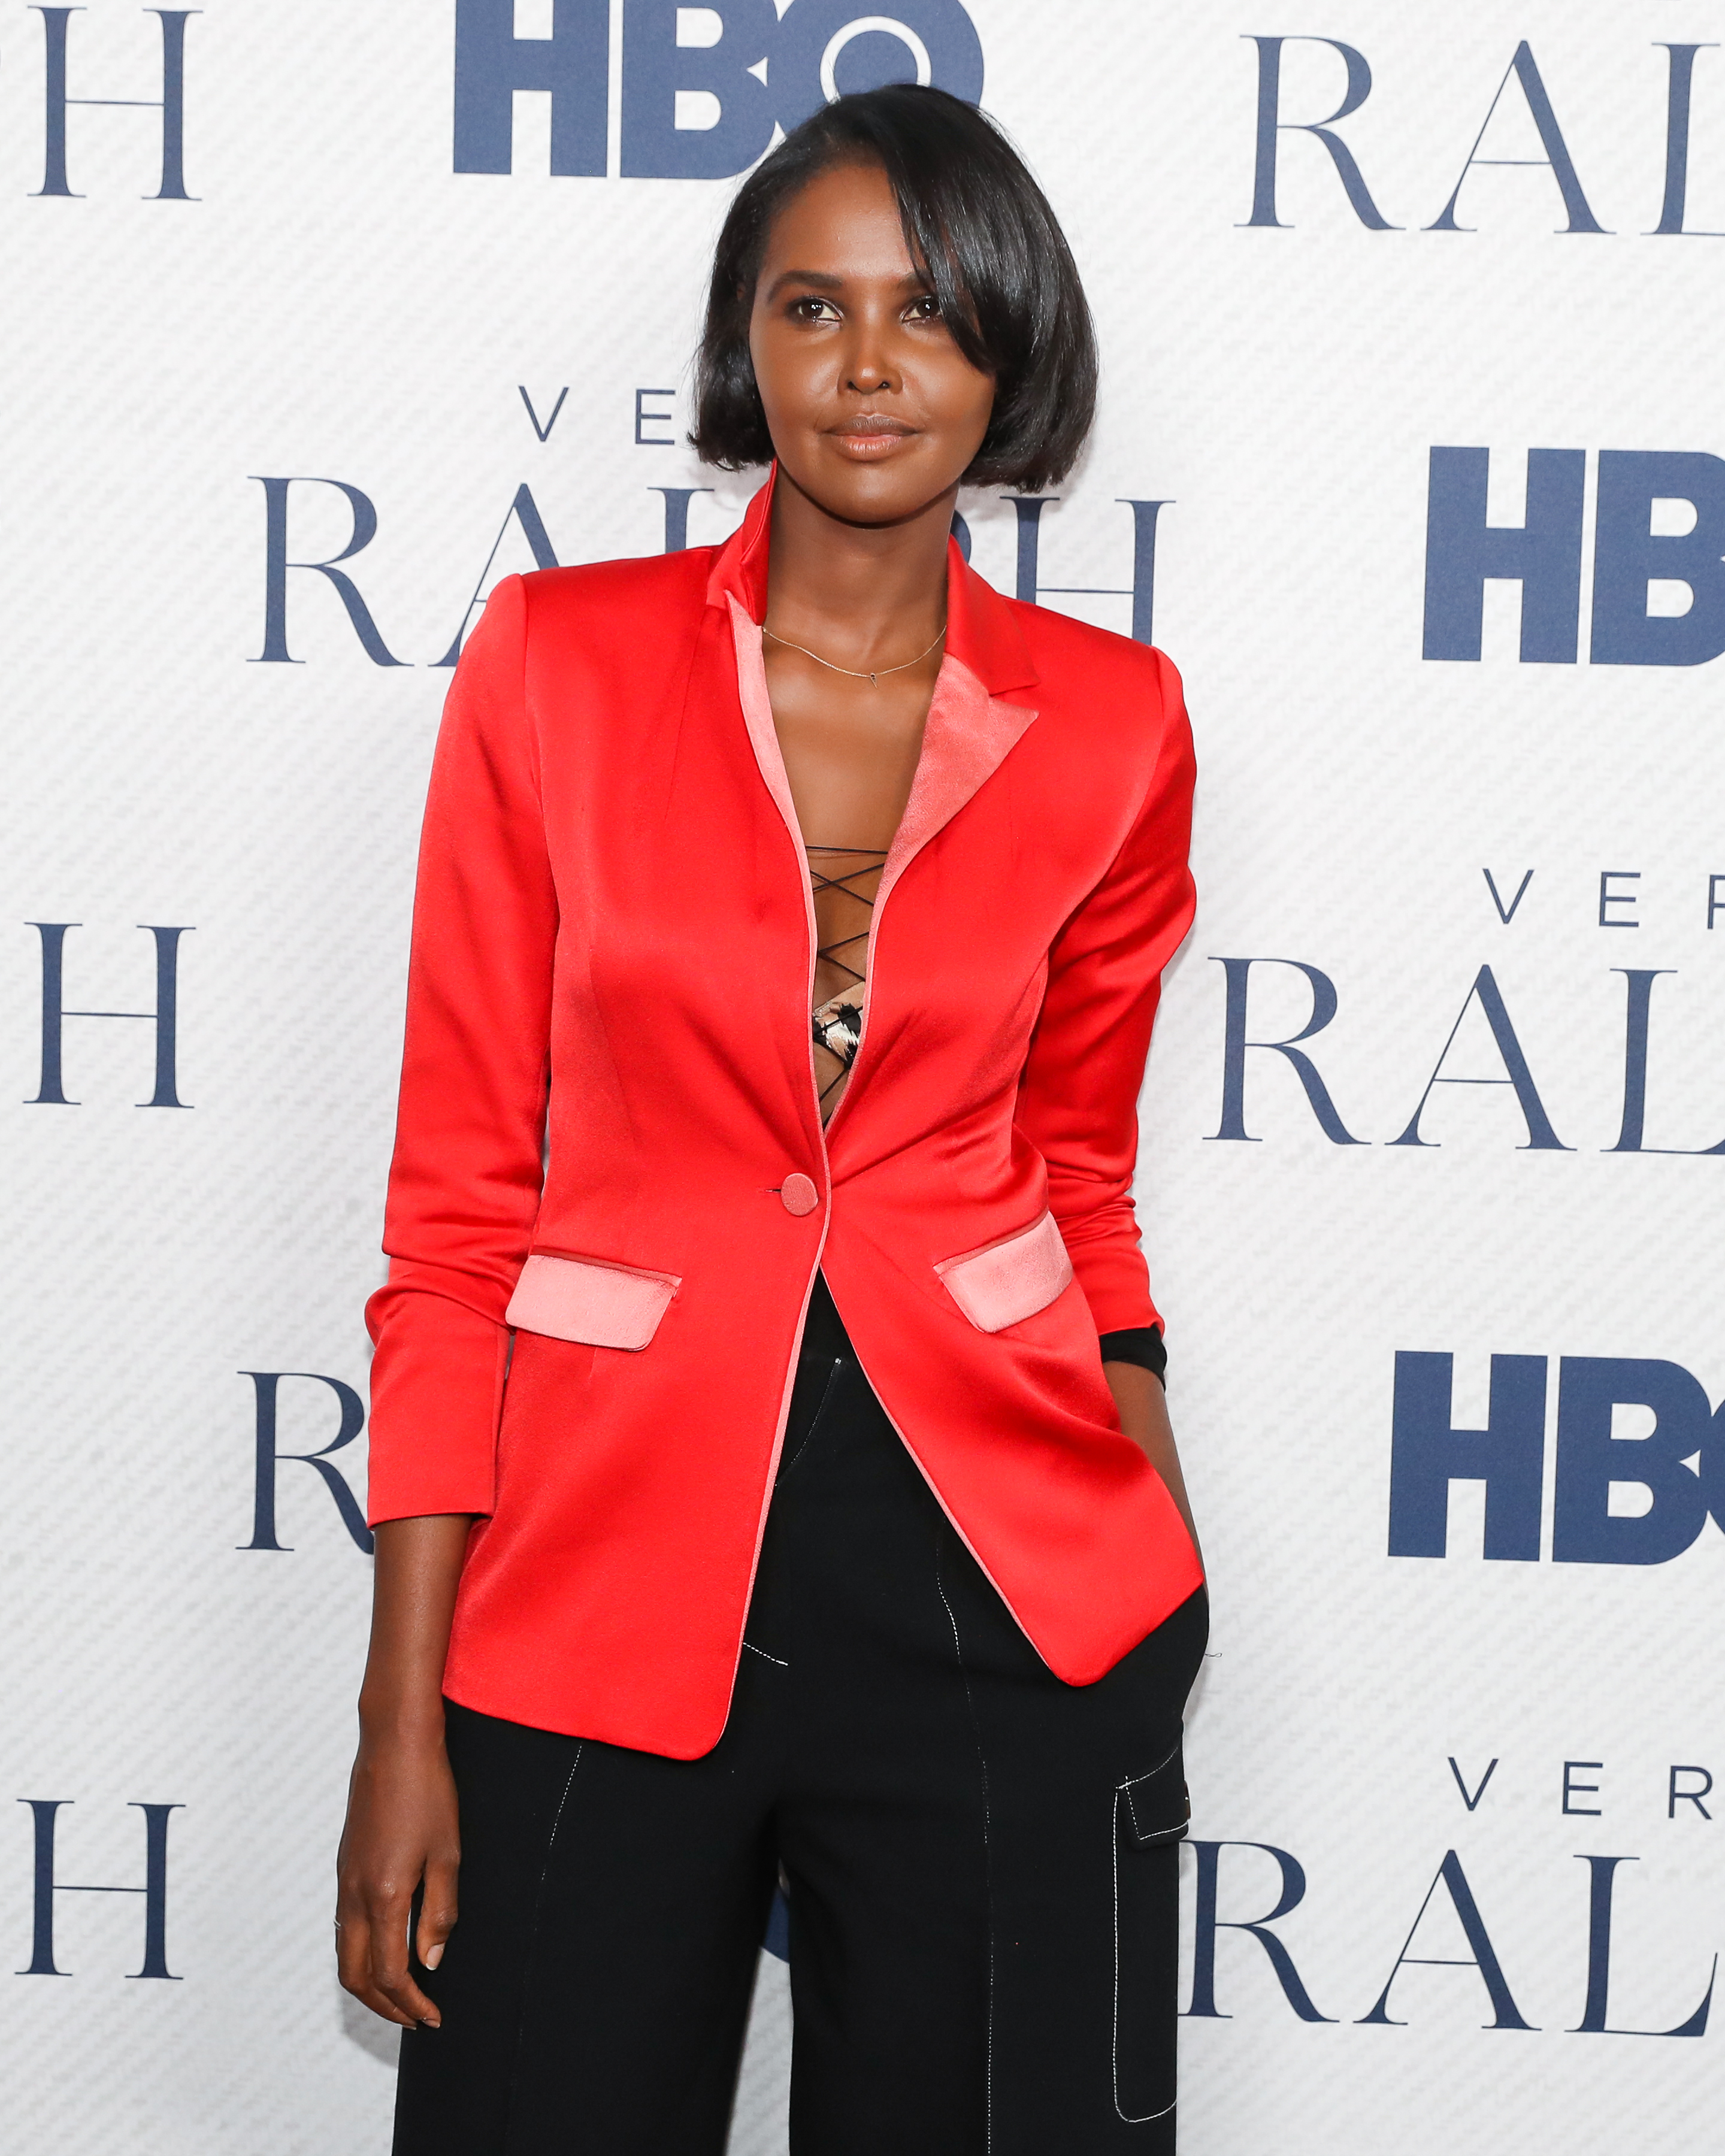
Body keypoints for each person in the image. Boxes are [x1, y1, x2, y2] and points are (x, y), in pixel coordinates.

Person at [337, 82, 1206, 2156]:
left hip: (1003, 1594)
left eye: (930, 310)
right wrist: (400, 1713)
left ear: (1011, 349)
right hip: (594, 1586)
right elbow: (458, 1215)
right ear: (747, 344)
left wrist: (1151, 1543)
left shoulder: (1117, 725)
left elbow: (1082, 1179)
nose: (870, 364)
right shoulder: (554, 665)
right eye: (814, 307)